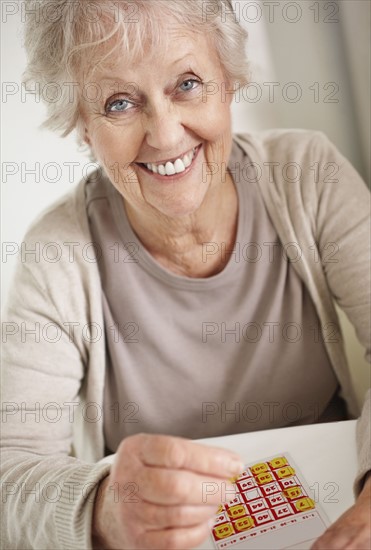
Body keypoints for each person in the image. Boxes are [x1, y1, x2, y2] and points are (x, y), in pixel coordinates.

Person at [1, 1, 370, 549]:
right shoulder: (58, 251)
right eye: (119, 102)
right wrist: (108, 509)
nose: (167, 135)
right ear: (82, 124)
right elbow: (11, 474)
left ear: (230, 80)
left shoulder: (308, 175)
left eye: (188, 84)